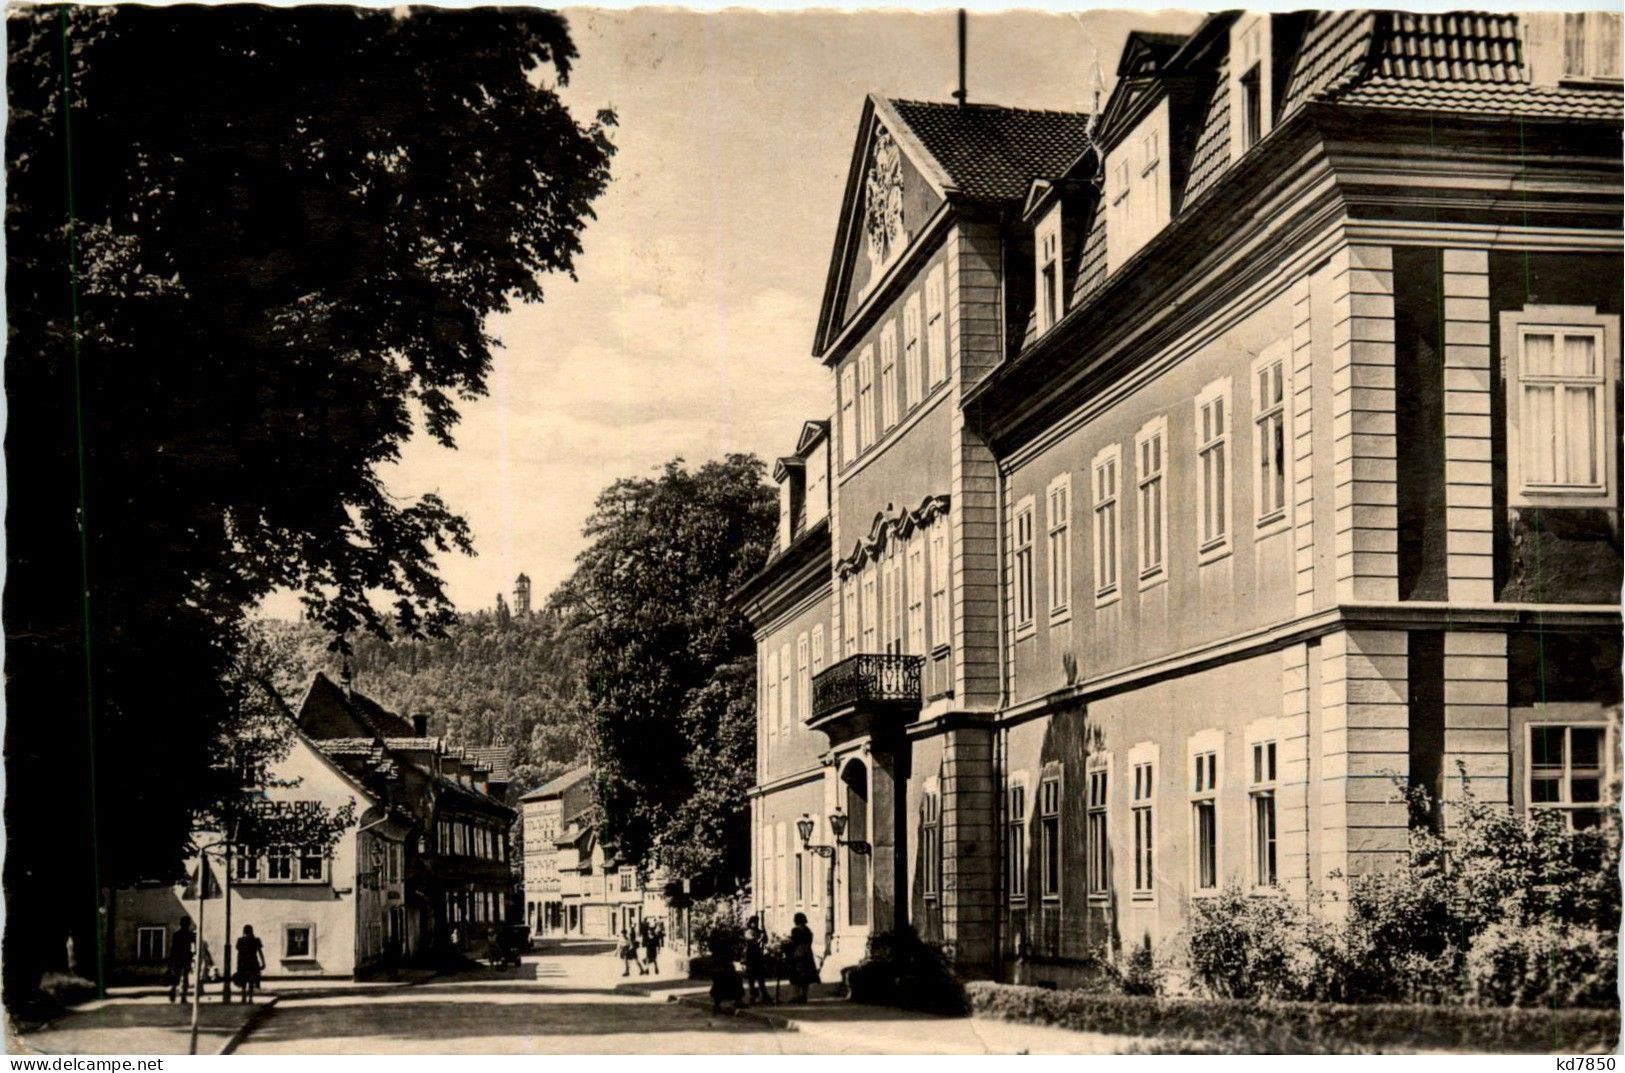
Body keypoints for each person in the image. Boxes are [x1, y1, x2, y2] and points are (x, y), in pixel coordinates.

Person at [707, 933, 743, 1015]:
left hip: (719, 971)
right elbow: (730, 959)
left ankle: (717, 1006)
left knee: (719, 988)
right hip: (725, 970)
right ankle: (737, 1001)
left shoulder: (715, 951)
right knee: (735, 984)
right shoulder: (724, 950)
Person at [787, 912, 818, 1004]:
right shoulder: (808, 930)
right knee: (806, 975)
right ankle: (804, 995)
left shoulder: (795, 930)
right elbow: (810, 941)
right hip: (807, 953)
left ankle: (796, 996)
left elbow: (794, 942)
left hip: (798, 953)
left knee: (796, 974)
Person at [167, 918, 196, 1003]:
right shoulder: (190, 935)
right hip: (185, 958)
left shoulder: (177, 934)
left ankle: (173, 992)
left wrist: (171, 959)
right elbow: (194, 947)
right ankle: (183, 996)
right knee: (185, 977)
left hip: (178, 958)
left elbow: (173, 948)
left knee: (177, 976)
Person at [742, 915, 769, 1005]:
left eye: (757, 922)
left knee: (761, 978)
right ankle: (752, 996)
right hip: (751, 957)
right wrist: (761, 937)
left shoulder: (759, 931)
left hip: (759, 956)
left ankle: (765, 995)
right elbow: (753, 942)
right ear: (750, 923)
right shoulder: (749, 932)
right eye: (754, 922)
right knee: (751, 978)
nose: (756, 924)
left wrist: (764, 933)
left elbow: (765, 941)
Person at [234, 925, 265, 1004]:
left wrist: (238, 964)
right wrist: (263, 962)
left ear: (244, 931)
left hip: (243, 963)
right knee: (251, 981)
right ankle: (250, 999)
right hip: (252, 962)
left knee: (243, 981)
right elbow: (260, 952)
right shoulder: (256, 940)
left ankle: (243, 998)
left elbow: (239, 953)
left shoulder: (240, 940)